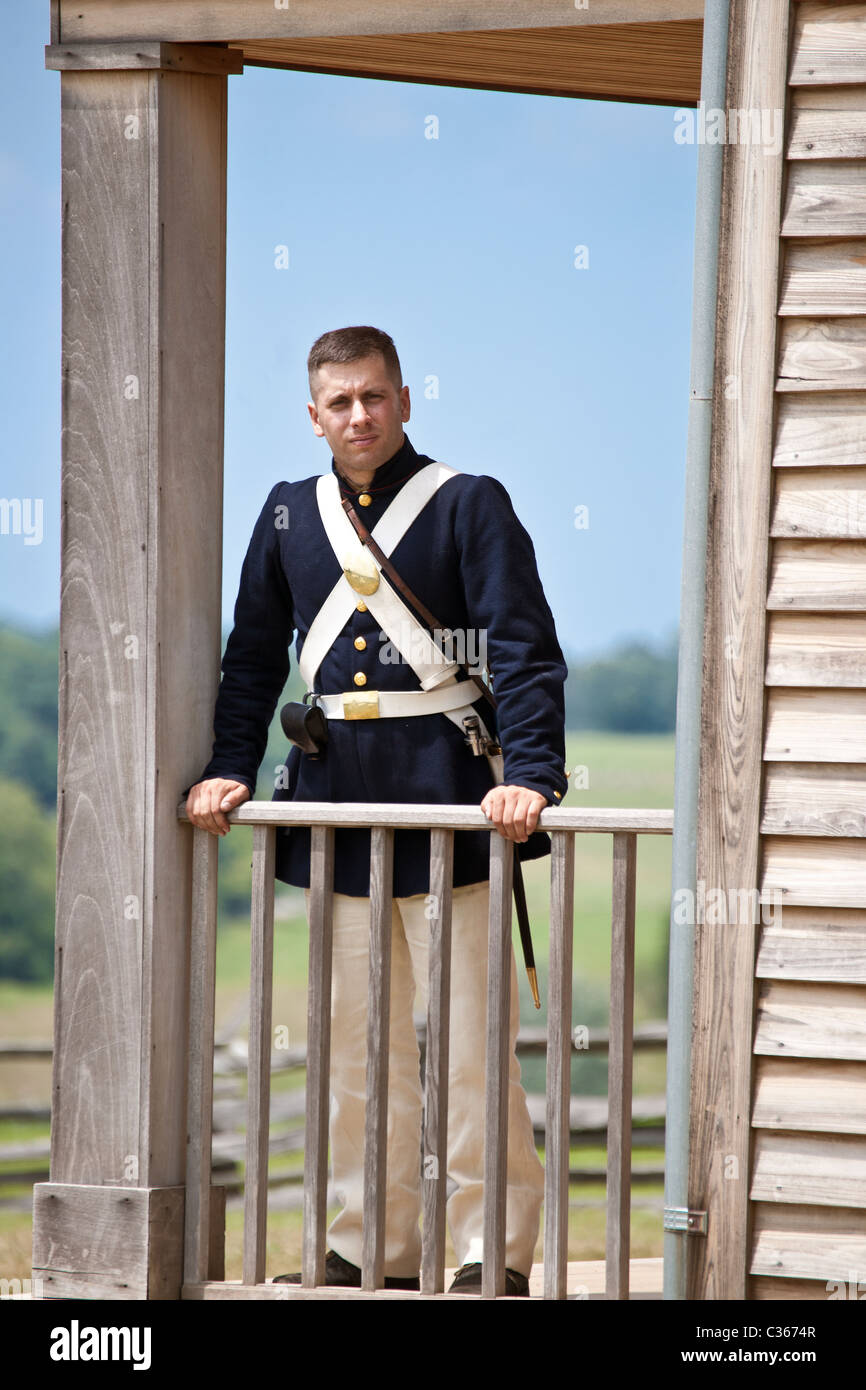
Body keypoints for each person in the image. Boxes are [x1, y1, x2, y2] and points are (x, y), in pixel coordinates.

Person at [185, 325, 569, 1295]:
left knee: (475, 1054)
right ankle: (372, 1247)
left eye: (372, 396)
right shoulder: (286, 514)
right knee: (356, 1051)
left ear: (403, 399)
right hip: (334, 813)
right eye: (338, 402)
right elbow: (251, 658)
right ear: (311, 415)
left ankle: (492, 1250)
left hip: (455, 805)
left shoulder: (465, 504)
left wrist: (529, 775)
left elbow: (520, 652)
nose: (357, 415)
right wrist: (231, 764)